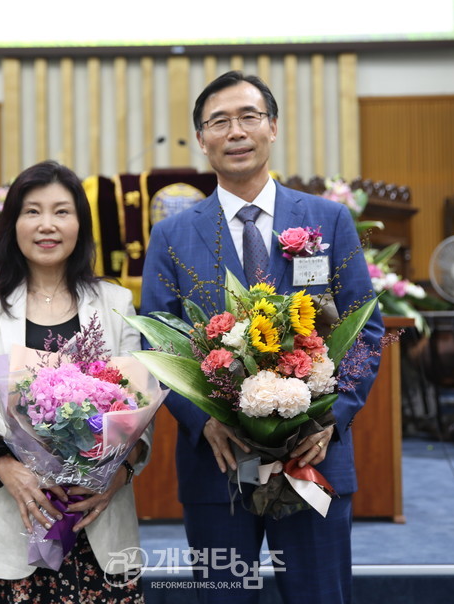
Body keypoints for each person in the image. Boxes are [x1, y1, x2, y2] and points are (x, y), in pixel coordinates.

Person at [140, 71, 384, 603]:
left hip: (311, 455)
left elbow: (366, 330)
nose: (236, 131)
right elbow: (156, 342)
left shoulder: (326, 219)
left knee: (320, 595)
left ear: (272, 127)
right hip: (219, 464)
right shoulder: (173, 234)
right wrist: (203, 423)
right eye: (218, 122)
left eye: (249, 116)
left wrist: (333, 418)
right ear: (202, 140)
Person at [0, 160, 151, 603]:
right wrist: (7, 468)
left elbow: (140, 408)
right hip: (17, 516)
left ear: (80, 223)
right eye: (32, 211)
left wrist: (118, 474)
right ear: (14, 223)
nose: (47, 225)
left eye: (62, 211)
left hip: (98, 520)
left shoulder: (116, 302)